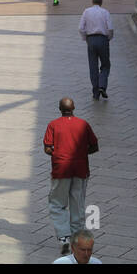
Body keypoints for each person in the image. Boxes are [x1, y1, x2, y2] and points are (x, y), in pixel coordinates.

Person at [43, 97, 99, 255]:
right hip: (81, 169)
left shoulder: (53, 125)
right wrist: (80, 154)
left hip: (60, 170)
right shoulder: (83, 124)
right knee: (78, 204)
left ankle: (63, 238)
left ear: (59, 109)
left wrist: (58, 153)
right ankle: (77, 239)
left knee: (57, 204)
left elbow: (47, 148)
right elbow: (95, 146)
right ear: (73, 107)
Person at [79, 0, 113, 100]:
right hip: (103, 39)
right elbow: (110, 28)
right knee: (105, 64)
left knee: (93, 66)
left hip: (91, 39)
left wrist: (86, 39)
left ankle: (95, 91)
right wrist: (108, 38)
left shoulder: (86, 11)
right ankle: (102, 85)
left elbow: (81, 28)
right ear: (101, 2)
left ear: (92, 1)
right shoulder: (105, 12)